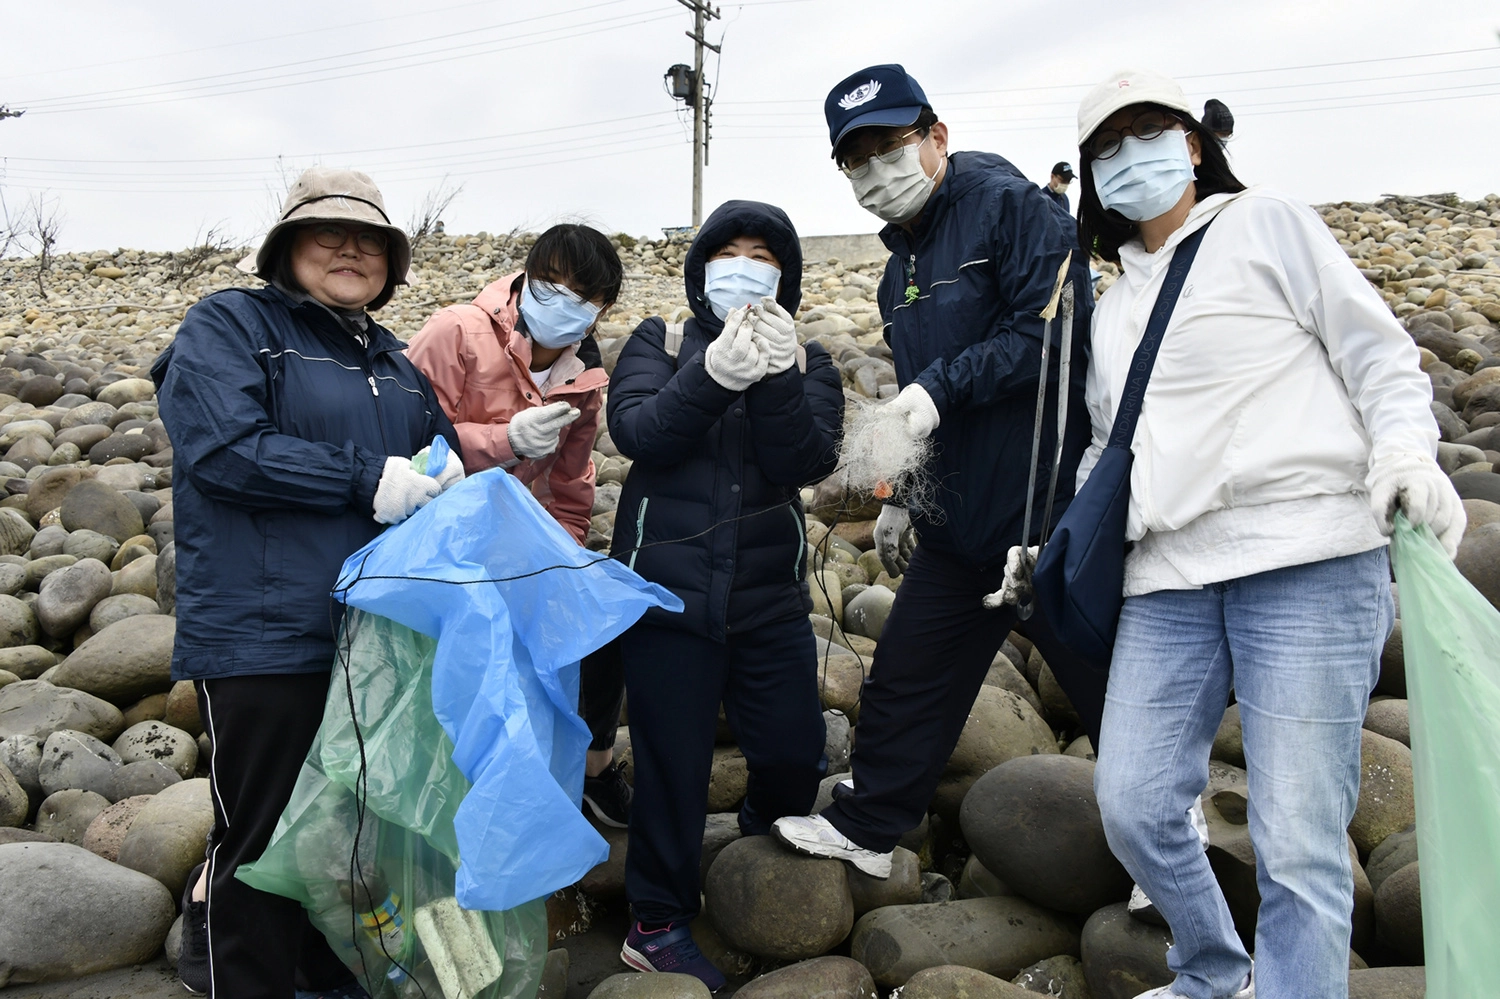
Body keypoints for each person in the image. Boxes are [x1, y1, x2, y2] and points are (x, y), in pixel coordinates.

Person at [1067, 69, 1464, 999]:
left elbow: (1380, 354)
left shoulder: (1267, 224)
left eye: (1149, 132)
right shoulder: (1115, 302)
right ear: (1091, 175)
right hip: (1167, 572)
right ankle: (1212, 968)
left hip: (1309, 557)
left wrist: (1406, 453)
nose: (1131, 158)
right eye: (1108, 147)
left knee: (1300, 842)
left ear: (1194, 143)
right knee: (1130, 804)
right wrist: (1065, 542)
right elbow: (1104, 444)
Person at [770, 65, 1092, 878]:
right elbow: (920, 410)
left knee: (1116, 688)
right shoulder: (895, 268)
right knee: (906, 679)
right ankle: (871, 824)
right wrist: (906, 501)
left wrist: (941, 389)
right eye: (856, 160)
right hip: (961, 526)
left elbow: (1051, 338)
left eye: (891, 146)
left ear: (936, 137)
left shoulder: (1012, 206)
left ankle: (1179, 839)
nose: (875, 172)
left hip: (1048, 517)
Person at [152, 167, 464, 999]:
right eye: (329, 232)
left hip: (373, 643)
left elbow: (434, 454)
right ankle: (236, 981)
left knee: (344, 833)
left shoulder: (395, 361)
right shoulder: (229, 324)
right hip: (265, 633)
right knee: (258, 838)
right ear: (287, 247)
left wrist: (452, 471)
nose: (351, 248)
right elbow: (222, 451)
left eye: (370, 238)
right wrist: (369, 478)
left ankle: (328, 977)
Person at [606, 200, 843, 991]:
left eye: (764, 255)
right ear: (700, 267)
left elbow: (803, 458)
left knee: (790, 750)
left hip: (768, 601)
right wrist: (710, 379)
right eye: (729, 252)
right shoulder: (660, 342)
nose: (744, 266)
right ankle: (657, 920)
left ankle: (751, 838)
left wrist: (774, 376)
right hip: (666, 599)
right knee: (672, 768)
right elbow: (640, 434)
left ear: (787, 277)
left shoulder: (810, 363)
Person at [405, 224, 634, 827]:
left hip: (517, 541)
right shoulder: (454, 331)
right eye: (550, 284)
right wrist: (502, 441)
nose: (562, 301)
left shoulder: (584, 378)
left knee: (600, 610)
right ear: (525, 278)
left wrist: (561, 561)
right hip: (433, 532)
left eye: (581, 297)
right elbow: (400, 438)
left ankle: (592, 766)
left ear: (600, 310)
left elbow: (570, 482)